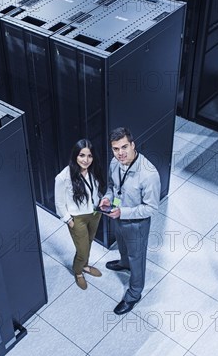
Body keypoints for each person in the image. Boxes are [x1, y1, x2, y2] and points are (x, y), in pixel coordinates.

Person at [101, 127, 160, 314]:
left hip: (137, 223)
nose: (121, 153)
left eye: (124, 147)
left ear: (133, 145)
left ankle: (134, 294)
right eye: (116, 149)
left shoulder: (149, 174)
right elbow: (113, 186)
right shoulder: (114, 163)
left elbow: (151, 208)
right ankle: (124, 263)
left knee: (137, 257)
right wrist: (108, 198)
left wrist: (122, 212)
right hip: (118, 215)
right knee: (122, 245)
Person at [55, 139, 104, 290]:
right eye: (82, 155)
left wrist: (101, 202)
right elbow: (59, 203)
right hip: (78, 219)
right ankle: (78, 272)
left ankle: (86, 266)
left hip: (94, 214)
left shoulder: (94, 169)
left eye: (89, 156)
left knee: (88, 243)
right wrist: (69, 220)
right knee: (82, 250)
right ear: (75, 156)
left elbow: (97, 189)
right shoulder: (63, 177)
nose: (86, 160)